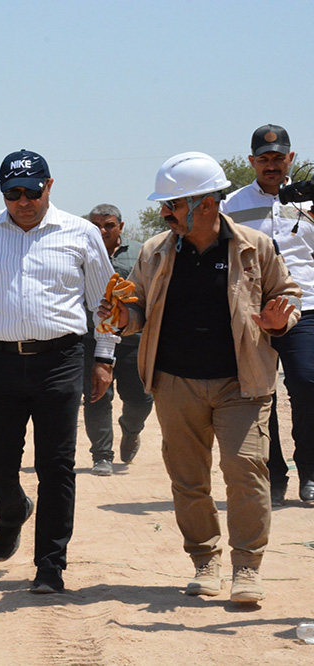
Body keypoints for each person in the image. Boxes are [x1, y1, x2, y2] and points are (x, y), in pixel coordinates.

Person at [109, 152, 300, 604]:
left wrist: (278, 321)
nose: (164, 213)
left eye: (174, 204)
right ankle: (204, 560)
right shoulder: (156, 252)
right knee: (188, 479)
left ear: (207, 204)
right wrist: (122, 316)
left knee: (246, 471)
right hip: (176, 382)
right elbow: (135, 309)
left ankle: (247, 567)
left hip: (243, 381)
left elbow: (286, 295)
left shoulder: (255, 247)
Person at [0, 149, 116, 594]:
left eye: (32, 190)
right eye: (13, 193)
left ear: (50, 186)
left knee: (56, 465)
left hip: (60, 361)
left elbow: (105, 302)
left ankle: (50, 566)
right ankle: (12, 511)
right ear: (3, 193)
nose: (23, 201)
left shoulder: (80, 233)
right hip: (0, 361)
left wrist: (103, 357)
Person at [221, 125, 314, 505]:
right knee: (261, 395)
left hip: (304, 307)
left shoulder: (309, 202)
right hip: (252, 313)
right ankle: (273, 476)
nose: (271, 165)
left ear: (291, 158)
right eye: (264, 159)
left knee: (308, 384)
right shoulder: (232, 204)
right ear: (252, 162)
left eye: (278, 158)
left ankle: (309, 472)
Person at [81, 204, 154, 476]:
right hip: (91, 338)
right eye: (96, 225)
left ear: (120, 227)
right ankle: (102, 455)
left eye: (109, 225)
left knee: (140, 399)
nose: (102, 231)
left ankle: (131, 429)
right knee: (96, 395)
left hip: (133, 339)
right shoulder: (80, 253)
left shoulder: (141, 252)